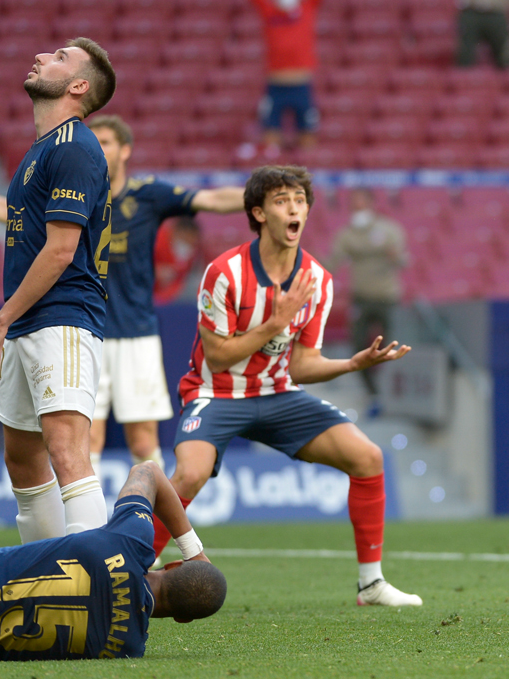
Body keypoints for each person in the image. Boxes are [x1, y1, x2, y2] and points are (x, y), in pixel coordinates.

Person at [154, 165, 419, 607]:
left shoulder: (317, 280)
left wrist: (353, 363)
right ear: (258, 213)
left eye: (299, 200)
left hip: (277, 393)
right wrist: (276, 321)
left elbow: (301, 365)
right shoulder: (225, 272)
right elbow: (218, 355)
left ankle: (371, 584)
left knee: (368, 457)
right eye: (281, 201)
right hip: (216, 393)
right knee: (191, 474)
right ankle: (127, 568)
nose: (294, 208)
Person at [2, 39, 116, 544]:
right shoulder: (43, 149)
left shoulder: (74, 146)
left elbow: (60, 250)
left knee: (67, 450)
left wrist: (2, 317)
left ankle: (93, 586)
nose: (42, 56)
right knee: (23, 457)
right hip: (30, 320)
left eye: (60, 57)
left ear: (78, 86)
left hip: (63, 318)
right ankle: (45, 578)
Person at [85, 115, 244, 475]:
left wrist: (266, 196)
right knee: (85, 442)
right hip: (85, 336)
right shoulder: (72, 196)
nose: (97, 149)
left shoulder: (147, 195)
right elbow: (17, 213)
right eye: (92, 143)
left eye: (106, 142)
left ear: (125, 150)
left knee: (143, 442)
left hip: (136, 335)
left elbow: (213, 199)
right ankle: (88, 528)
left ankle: (152, 526)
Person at [0, 461, 226, 661]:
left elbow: (148, 471)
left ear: (173, 565)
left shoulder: (128, 541)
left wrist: (193, 551)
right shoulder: (127, 648)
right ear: (182, 619)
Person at [225, 0, 347, 152]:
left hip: (302, 85)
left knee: (308, 140)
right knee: (271, 140)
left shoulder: (308, 7)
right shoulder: (269, 11)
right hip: (275, 85)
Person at [328, 189, 408, 399]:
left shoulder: (388, 230)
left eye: (361, 203)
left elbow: (402, 260)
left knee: (392, 345)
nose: (357, 208)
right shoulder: (347, 234)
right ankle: (372, 389)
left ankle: (390, 387)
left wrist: (394, 257)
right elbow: (332, 262)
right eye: (354, 204)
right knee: (358, 347)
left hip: (386, 296)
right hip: (361, 297)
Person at [153, 216, 203, 304]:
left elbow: (183, 275)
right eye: (186, 240)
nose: (189, 245)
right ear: (176, 232)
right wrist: (154, 271)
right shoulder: (156, 239)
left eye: (192, 242)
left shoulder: (191, 249)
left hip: (171, 295)